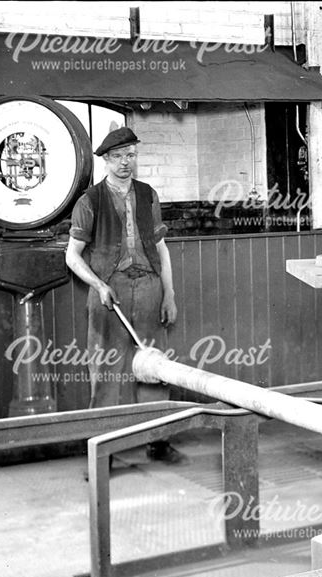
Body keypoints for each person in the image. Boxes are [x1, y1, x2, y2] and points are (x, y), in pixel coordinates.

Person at [65, 127, 184, 463]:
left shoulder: (148, 195)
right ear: (105, 160)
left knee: (154, 365)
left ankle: (158, 441)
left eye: (130, 155)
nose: (124, 163)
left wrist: (169, 293)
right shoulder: (89, 201)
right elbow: (71, 256)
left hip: (149, 287)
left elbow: (161, 249)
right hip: (109, 291)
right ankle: (101, 453)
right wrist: (99, 285)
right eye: (117, 157)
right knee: (106, 370)